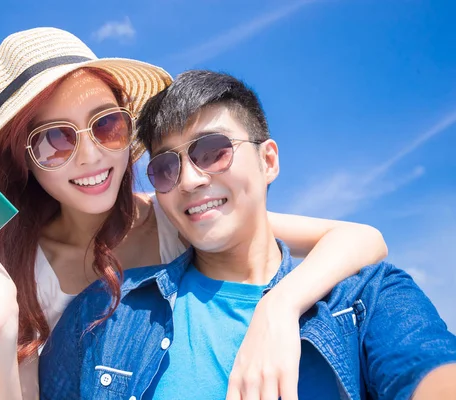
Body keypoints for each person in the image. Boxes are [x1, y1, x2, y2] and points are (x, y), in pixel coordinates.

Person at [0, 29, 388, 400]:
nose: (90, 155)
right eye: (55, 139)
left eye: (107, 125)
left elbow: (361, 238)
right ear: (24, 161)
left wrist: (279, 306)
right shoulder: (15, 268)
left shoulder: (173, 216)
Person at [38, 70, 456, 400]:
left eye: (213, 151)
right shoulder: (103, 310)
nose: (190, 180)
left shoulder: (363, 298)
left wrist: (279, 304)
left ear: (268, 160)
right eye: (166, 167)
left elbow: (429, 370)